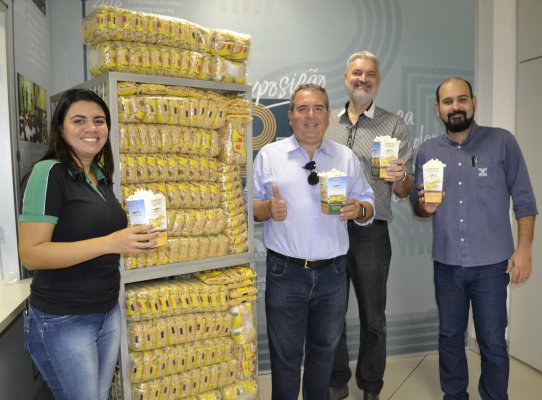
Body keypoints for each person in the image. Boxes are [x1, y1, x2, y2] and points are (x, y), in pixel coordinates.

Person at [18, 89, 159, 400]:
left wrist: (135, 237)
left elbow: (93, 234)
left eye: (99, 120)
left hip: (106, 311)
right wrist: (110, 242)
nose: (91, 128)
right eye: (78, 120)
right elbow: (32, 254)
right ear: (60, 128)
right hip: (64, 319)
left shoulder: (97, 174)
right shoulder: (48, 173)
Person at [410, 77, 537, 400]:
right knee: (450, 337)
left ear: (473, 102)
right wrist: (425, 207)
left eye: (462, 99)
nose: (456, 107)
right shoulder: (428, 152)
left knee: (492, 341)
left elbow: (524, 199)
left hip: (492, 266)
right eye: (448, 102)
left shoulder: (502, 142)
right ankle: (454, 395)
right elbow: (419, 207)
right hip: (447, 265)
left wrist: (524, 249)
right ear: (438, 108)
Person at [253, 83, 375, 400]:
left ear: (328, 116)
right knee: (285, 357)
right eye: (303, 109)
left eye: (318, 108)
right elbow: (250, 207)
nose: (311, 116)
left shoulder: (345, 157)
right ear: (290, 116)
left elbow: (368, 203)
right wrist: (267, 209)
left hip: (333, 275)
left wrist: (359, 209)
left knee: (324, 354)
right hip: (286, 274)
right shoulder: (269, 156)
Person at [325, 51, 414, 400]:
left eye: (370, 74)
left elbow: (404, 190)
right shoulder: (326, 121)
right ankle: (337, 380)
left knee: (373, 317)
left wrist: (401, 176)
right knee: (332, 311)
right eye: (357, 72)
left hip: (371, 232)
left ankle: (371, 385)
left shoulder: (394, 125)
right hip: (329, 228)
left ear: (378, 80)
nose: (363, 79)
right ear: (346, 77)